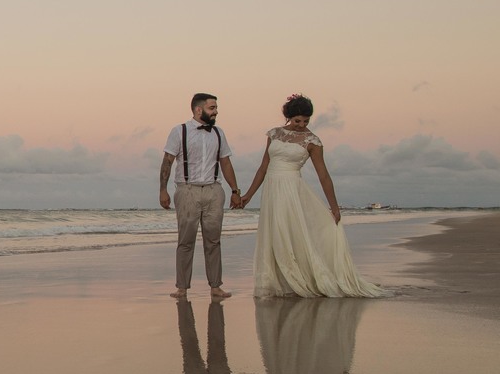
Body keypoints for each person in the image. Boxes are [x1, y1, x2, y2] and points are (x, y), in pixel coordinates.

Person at [239, 94, 385, 298]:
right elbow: (263, 167)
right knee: (274, 233)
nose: (302, 125)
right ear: (289, 116)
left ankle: (298, 280)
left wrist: (334, 207)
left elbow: (323, 175)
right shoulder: (273, 134)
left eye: (306, 121)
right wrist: (248, 195)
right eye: (298, 120)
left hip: (292, 189)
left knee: (288, 232)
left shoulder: (312, 141)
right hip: (271, 190)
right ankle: (281, 282)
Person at [160, 93, 242, 299]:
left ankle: (216, 286)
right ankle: (182, 287)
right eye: (212, 108)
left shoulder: (219, 133)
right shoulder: (179, 131)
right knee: (186, 240)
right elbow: (168, 161)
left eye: (215, 108)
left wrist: (234, 190)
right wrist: (163, 189)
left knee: (213, 241)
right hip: (187, 189)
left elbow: (225, 162)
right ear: (199, 110)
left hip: (214, 190)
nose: (216, 112)